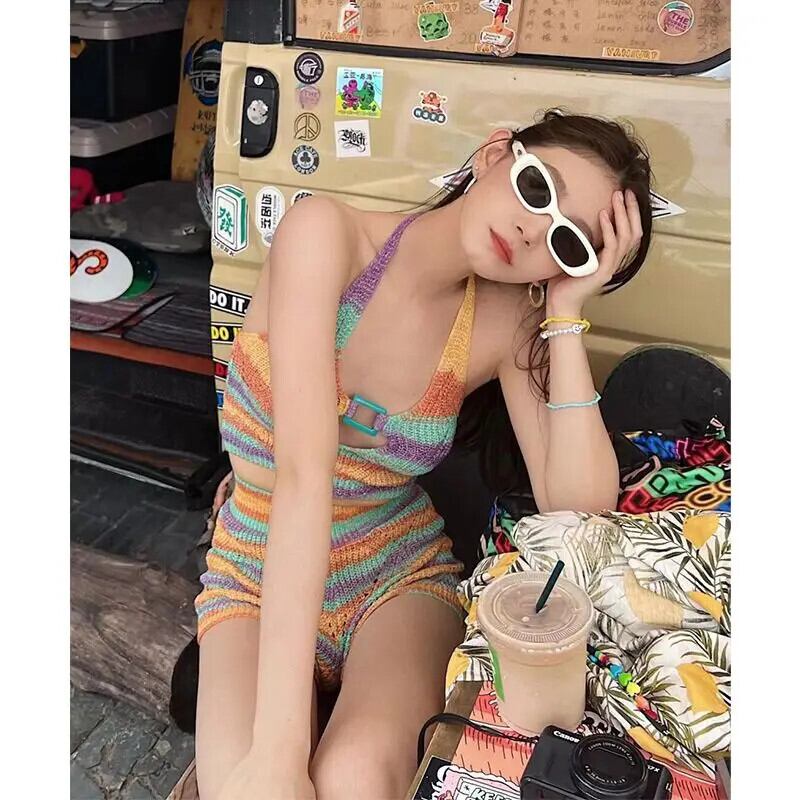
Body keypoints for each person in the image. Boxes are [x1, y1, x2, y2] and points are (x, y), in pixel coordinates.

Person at [193, 109, 653, 800]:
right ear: (494, 153)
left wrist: (565, 310)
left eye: (569, 242)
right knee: (243, 783)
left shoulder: (505, 319)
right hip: (256, 564)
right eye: (537, 189)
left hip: (395, 572)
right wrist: (278, 757)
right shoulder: (326, 235)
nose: (534, 230)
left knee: (355, 780)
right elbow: (303, 479)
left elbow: (579, 505)